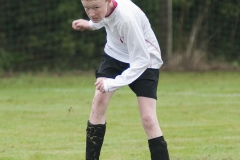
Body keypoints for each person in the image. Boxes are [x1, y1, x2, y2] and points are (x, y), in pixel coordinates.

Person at [72, 0, 170, 159]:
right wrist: (90, 24)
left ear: (108, 1)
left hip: (145, 61)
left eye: (95, 8)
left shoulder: (126, 19)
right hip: (114, 56)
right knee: (98, 102)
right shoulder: (103, 9)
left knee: (148, 119)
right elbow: (104, 18)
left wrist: (112, 83)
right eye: (86, 8)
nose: (91, 13)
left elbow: (141, 61)